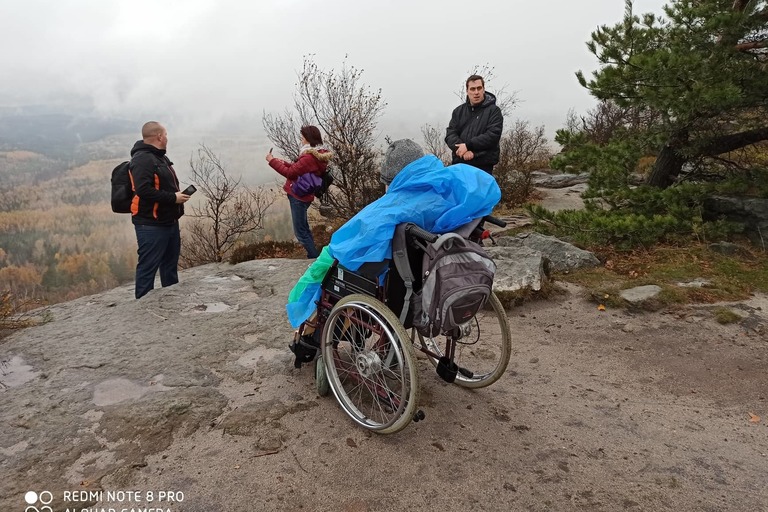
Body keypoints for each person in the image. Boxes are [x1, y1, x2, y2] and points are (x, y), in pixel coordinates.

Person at [285, 139, 501, 366]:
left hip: (396, 290)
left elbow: (342, 247)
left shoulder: (389, 211)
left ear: (393, 179)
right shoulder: (452, 193)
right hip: (434, 278)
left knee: (328, 272)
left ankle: (311, 337)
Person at [130, 121, 190, 299]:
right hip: (151, 224)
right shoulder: (142, 159)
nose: (167, 138)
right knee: (148, 267)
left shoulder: (159, 157)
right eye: (166, 135)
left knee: (169, 266)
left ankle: (171, 301)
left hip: (169, 220)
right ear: (159, 136)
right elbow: (143, 190)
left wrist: (177, 197)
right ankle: (143, 307)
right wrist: (174, 198)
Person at [266, 126, 332, 259]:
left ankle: (314, 259)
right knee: (304, 228)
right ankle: (314, 256)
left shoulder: (309, 157)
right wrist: (282, 162)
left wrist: (272, 161)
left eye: (302, 137)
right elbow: (297, 169)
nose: (301, 139)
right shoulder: (316, 153)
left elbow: (290, 173)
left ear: (308, 138)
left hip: (299, 196)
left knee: (300, 231)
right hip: (304, 195)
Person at [445, 74, 504, 174]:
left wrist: (468, 146)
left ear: (483, 89)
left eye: (479, 88)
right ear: (467, 91)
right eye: (472, 89)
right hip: (460, 165)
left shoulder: (494, 111)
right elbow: (450, 134)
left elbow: (493, 135)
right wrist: (462, 150)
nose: (476, 92)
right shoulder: (458, 111)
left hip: (483, 167)